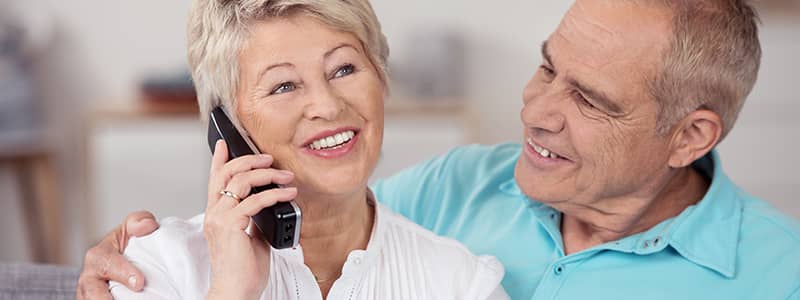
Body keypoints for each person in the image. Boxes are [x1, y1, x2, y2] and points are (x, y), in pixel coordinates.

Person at [79, 0, 800, 299]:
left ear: (691, 136)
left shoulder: (778, 276)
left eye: (589, 100)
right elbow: (333, 220)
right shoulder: (461, 186)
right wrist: (131, 259)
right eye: (548, 66)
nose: (536, 112)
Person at [101, 0, 508, 299]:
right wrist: (230, 291)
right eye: (284, 86)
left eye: (344, 69)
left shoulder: (462, 282)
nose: (329, 106)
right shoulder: (157, 269)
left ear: (382, 80)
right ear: (228, 127)